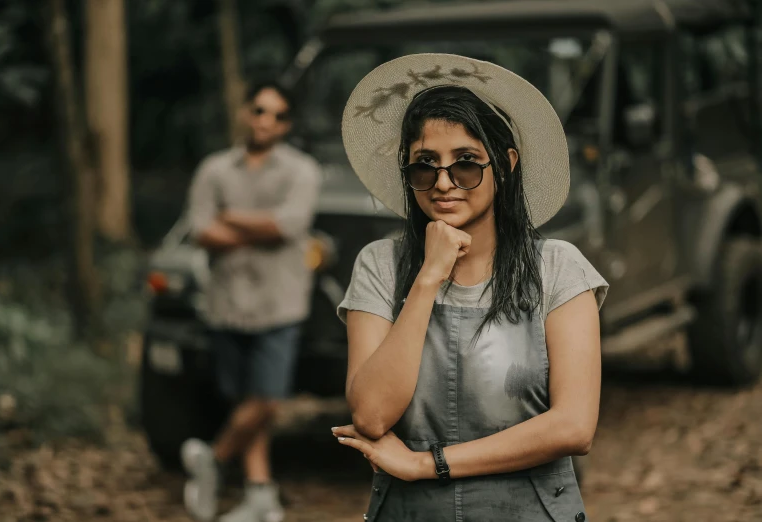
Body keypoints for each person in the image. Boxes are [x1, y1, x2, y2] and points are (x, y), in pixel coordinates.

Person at [332, 54, 608, 521]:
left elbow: (574, 427)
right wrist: (427, 278)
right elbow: (371, 415)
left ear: (505, 164)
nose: (444, 183)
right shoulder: (380, 264)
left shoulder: (558, 267)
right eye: (425, 165)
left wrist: (428, 464)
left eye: (465, 163)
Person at [181, 81, 321, 522]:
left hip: (279, 302)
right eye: (260, 110)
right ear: (246, 112)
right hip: (227, 301)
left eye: (278, 115)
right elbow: (201, 230)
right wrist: (260, 228)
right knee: (242, 398)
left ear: (288, 123)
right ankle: (261, 492)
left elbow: (290, 225)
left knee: (267, 398)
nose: (266, 121)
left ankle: (213, 459)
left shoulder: (302, 170)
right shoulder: (214, 169)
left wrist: (231, 219)